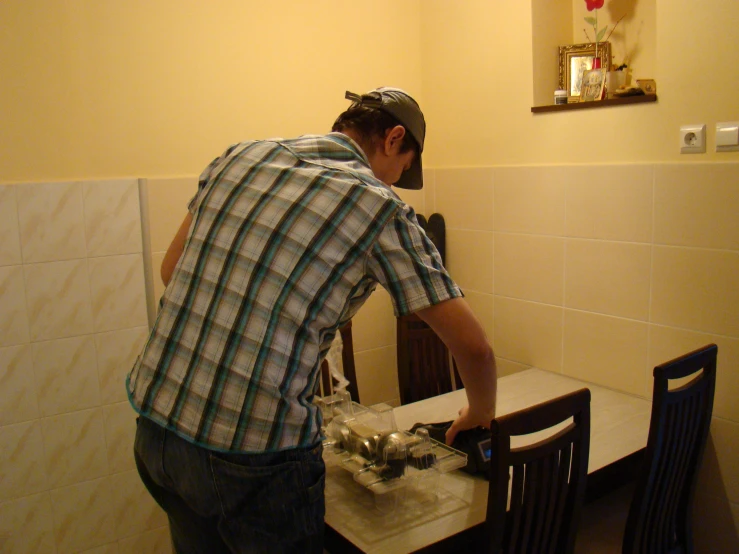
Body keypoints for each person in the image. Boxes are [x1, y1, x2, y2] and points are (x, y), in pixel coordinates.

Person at [127, 86, 497, 554]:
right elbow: (474, 346)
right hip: (251, 457)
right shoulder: (379, 207)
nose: (394, 184)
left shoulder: (243, 156)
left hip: (156, 427)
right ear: (393, 138)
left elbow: (170, 270)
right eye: (401, 170)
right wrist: (480, 411)